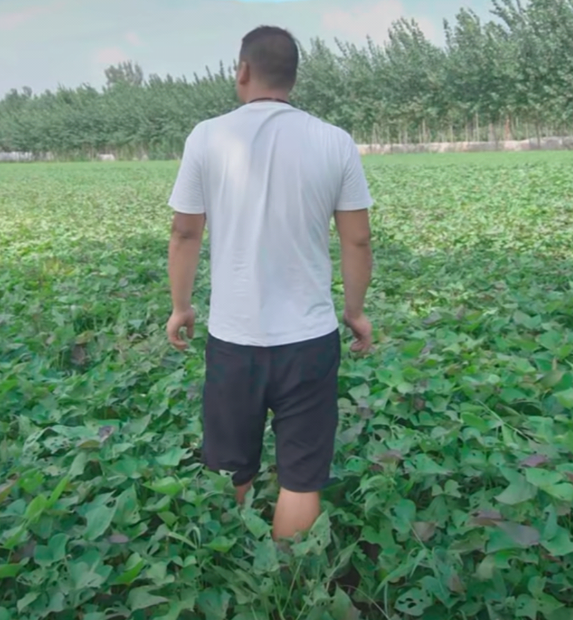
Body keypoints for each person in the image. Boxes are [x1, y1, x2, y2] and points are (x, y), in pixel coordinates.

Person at [165, 25, 374, 541]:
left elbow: (185, 230)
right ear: (294, 79)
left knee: (232, 466)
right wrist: (354, 311)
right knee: (302, 479)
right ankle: (286, 587)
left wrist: (181, 306)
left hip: (235, 338)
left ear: (242, 71)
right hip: (309, 339)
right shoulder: (335, 141)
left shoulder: (207, 136)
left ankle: (237, 568)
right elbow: (358, 242)